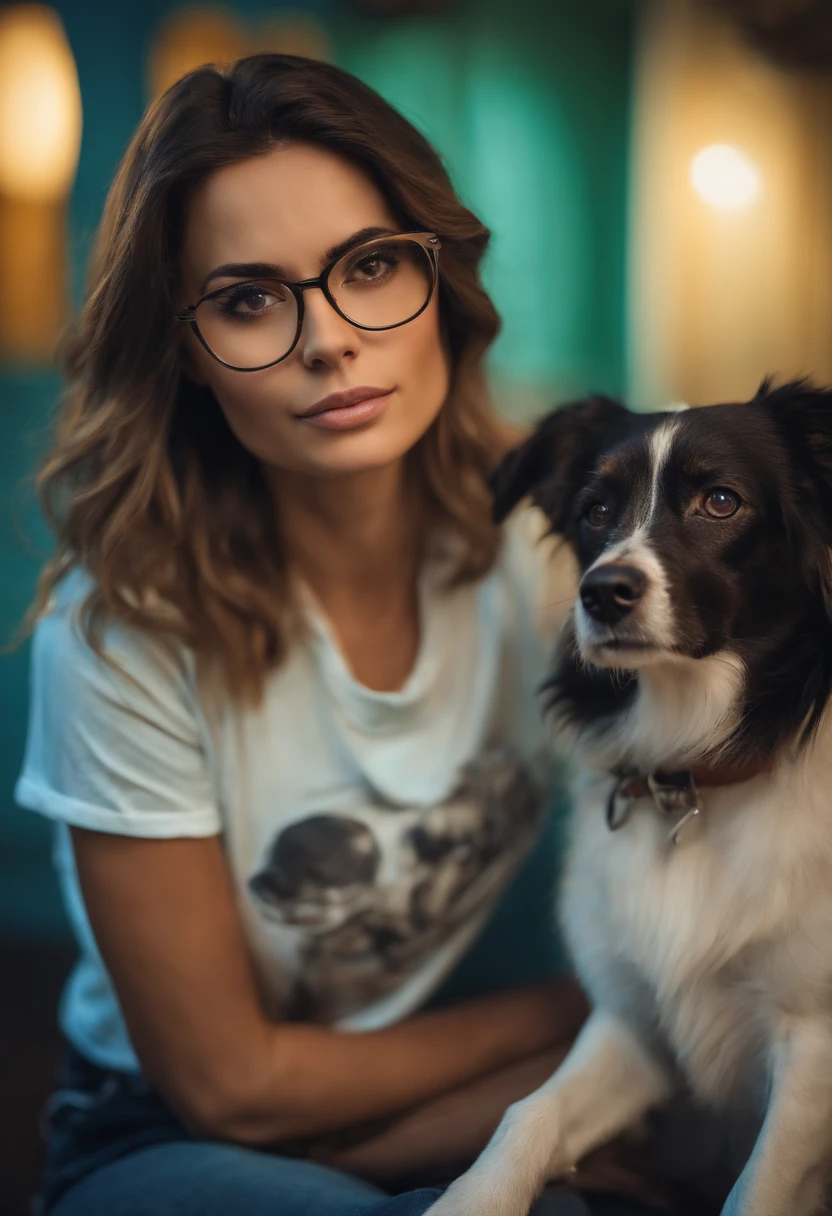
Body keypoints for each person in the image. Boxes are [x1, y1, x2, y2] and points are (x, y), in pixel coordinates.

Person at [14, 53, 667, 1216]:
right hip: (160, 1130)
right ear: (186, 353)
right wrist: (583, 1011)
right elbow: (231, 1086)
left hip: (432, 1089)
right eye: (248, 297)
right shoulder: (121, 629)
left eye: (369, 268)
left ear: (440, 280)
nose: (328, 340)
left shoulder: (556, 538)